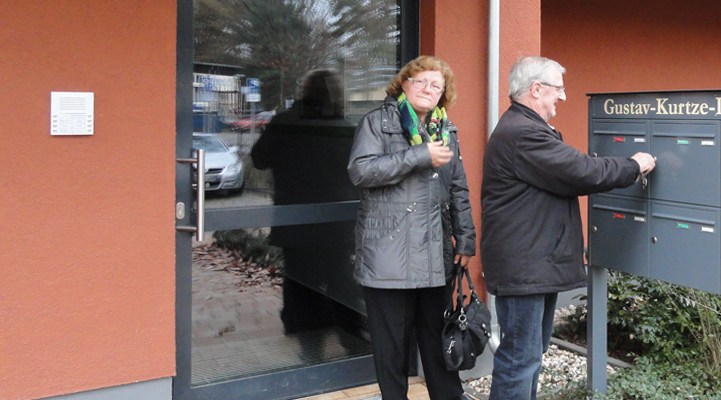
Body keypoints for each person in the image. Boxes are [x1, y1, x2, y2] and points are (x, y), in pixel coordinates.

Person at [481, 56, 656, 400]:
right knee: (520, 359)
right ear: (536, 90)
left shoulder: (526, 128)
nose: (563, 97)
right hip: (525, 267)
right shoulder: (523, 133)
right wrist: (633, 165)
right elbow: (580, 171)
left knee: (529, 355)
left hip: (534, 263)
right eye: (558, 89)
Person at [347, 56, 476, 400]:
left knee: (437, 337)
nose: (428, 89)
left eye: (436, 85)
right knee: (391, 346)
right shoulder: (378, 123)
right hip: (388, 254)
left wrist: (465, 239)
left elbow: (458, 189)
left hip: (434, 253)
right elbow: (360, 171)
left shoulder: (446, 130)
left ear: (443, 94)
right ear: (404, 84)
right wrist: (419, 157)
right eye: (420, 81)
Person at [251, 69, 362, 361]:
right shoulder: (347, 127)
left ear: (305, 91)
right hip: (338, 221)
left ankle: (310, 350)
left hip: (296, 221)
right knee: (340, 282)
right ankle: (355, 344)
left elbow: (259, 159)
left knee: (300, 284)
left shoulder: (285, 122)